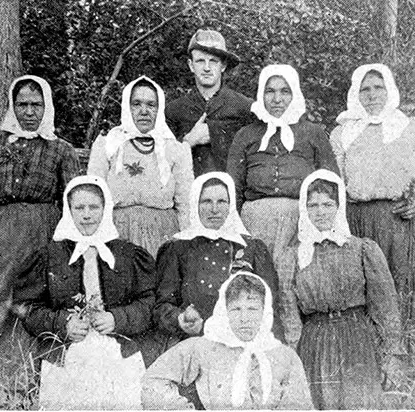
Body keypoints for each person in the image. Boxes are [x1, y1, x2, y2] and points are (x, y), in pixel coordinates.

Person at [329, 63, 415, 363]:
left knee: (412, 296)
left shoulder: (411, 128)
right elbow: (333, 184)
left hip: (407, 225)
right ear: (355, 93)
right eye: (365, 89)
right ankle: (374, 371)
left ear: (389, 90)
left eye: (378, 87)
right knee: (369, 297)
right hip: (360, 225)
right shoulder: (342, 133)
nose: (372, 95)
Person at [0, 75, 80, 380]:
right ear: (13, 107)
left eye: (36, 105)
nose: (29, 111)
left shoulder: (61, 150)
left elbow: (71, 199)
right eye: (22, 104)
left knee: (33, 298)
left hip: (42, 232)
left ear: (46, 107)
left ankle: (29, 374)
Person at [13, 175, 156, 409]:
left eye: (94, 207)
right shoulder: (49, 256)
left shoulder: (129, 255)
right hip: (65, 353)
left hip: (119, 350)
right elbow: (27, 309)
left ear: (105, 208)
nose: (87, 215)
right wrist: (62, 323)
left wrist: (118, 318)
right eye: (79, 208)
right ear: (69, 211)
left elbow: (150, 303)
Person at [275, 169, 403, 409]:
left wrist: (391, 354)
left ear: (339, 206)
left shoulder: (362, 249)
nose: (321, 212)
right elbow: (289, 311)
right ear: (304, 209)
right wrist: (295, 351)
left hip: (357, 339)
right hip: (315, 342)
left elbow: (385, 307)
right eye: (313, 206)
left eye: (327, 204)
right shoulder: (293, 256)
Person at [142, 271, 313, 410]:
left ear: (264, 311)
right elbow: (153, 380)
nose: (244, 318)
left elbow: (300, 405)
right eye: (236, 309)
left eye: (252, 309)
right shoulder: (204, 347)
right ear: (224, 312)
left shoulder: (284, 356)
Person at [154, 172, 281, 344]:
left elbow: (270, 306)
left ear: (231, 205)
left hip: (244, 343)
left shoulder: (252, 248)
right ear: (195, 204)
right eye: (206, 201)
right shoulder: (178, 248)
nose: (214, 209)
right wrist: (180, 318)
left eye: (222, 201)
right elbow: (162, 306)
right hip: (195, 342)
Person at [227, 64, 339, 256]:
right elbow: (233, 187)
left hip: (300, 223)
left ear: (294, 93)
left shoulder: (313, 133)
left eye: (284, 91)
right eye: (270, 91)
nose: (277, 99)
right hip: (254, 222)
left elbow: (331, 183)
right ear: (261, 94)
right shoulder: (246, 135)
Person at [88, 76, 193, 257]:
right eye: (136, 104)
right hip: (117, 234)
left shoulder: (174, 149)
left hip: (164, 234)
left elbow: (185, 204)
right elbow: (93, 196)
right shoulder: (109, 144)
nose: (144, 111)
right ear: (127, 108)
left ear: (159, 109)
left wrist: (187, 244)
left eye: (151, 105)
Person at [166, 29, 254, 176]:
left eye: (213, 61)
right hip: (188, 194)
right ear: (191, 65)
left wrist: (216, 134)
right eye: (200, 61)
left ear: (223, 66)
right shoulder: (173, 110)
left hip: (231, 195)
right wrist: (188, 141)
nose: (207, 68)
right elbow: (161, 162)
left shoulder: (244, 107)